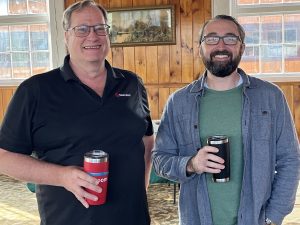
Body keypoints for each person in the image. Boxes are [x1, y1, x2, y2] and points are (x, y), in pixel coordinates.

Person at [0, 1, 154, 225]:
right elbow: (4, 158)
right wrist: (62, 176)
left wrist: (141, 187)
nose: (92, 36)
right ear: (66, 36)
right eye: (81, 29)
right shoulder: (35, 90)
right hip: (68, 218)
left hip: (133, 218)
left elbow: (147, 140)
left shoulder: (132, 83)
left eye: (100, 28)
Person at [152, 15, 300, 225]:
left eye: (230, 39)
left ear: (242, 47)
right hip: (197, 219)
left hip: (256, 219)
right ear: (200, 47)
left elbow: (290, 159)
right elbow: (160, 160)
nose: (221, 45)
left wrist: (273, 217)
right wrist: (192, 164)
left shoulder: (271, 97)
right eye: (211, 39)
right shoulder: (179, 102)